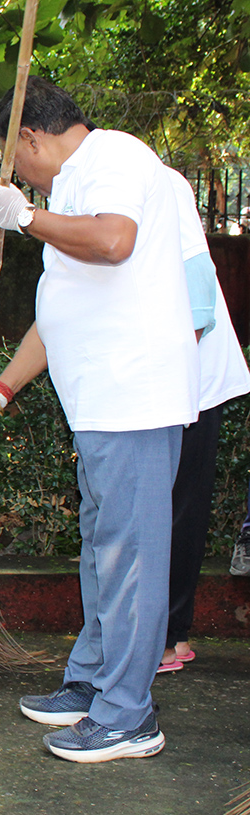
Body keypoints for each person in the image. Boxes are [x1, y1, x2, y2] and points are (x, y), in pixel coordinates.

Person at [0, 76, 198, 763]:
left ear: (30, 137)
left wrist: (26, 219)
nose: (18, 178)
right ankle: (94, 682)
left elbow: (116, 240)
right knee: (103, 551)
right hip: (97, 406)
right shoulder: (72, 190)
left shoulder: (116, 156)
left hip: (134, 398)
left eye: (13, 160)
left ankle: (129, 716)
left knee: (130, 559)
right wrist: (0, 391)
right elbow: (57, 315)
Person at [156, 170, 250, 674]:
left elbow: (198, 300)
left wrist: (167, 383)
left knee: (178, 510)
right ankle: (159, 634)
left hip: (189, 379)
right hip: (160, 377)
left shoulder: (159, 182)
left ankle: (170, 639)